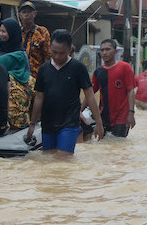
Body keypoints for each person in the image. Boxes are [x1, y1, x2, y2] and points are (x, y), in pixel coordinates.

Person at [26, 29, 104, 157]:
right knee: (48, 161)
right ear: (50, 47)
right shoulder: (44, 69)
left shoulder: (78, 68)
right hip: (48, 122)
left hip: (69, 122)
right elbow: (40, 98)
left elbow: (90, 95)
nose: (57, 56)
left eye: (61, 53)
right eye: (54, 52)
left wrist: (99, 123)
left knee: (63, 160)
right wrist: (32, 124)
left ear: (70, 49)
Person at [0, 17, 35, 130]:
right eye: (0, 31)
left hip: (16, 102)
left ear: (12, 32)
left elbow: (27, 76)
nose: (1, 34)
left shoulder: (21, 54)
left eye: (4, 31)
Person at [90, 38, 137, 137]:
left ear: (115, 51)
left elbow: (130, 91)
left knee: (119, 145)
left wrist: (131, 113)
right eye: (102, 50)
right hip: (103, 115)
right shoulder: (98, 72)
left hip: (122, 117)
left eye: (108, 49)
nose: (104, 53)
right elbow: (90, 93)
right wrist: (79, 111)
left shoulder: (125, 67)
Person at [18, 0, 51, 76]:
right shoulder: (17, 32)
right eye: (24, 12)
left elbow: (48, 57)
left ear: (35, 14)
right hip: (20, 75)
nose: (26, 14)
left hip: (37, 76)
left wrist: (45, 75)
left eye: (29, 12)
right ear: (19, 15)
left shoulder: (42, 32)